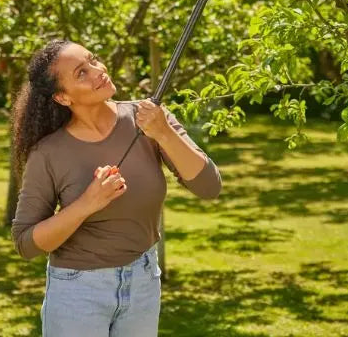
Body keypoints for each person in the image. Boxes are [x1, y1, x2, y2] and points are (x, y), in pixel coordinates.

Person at [11, 38, 222, 337]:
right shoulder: (48, 153)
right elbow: (26, 243)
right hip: (77, 290)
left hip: (144, 282)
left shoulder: (150, 119)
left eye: (93, 59)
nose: (98, 70)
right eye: (81, 73)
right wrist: (87, 203)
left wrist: (164, 133)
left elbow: (209, 187)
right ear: (62, 98)